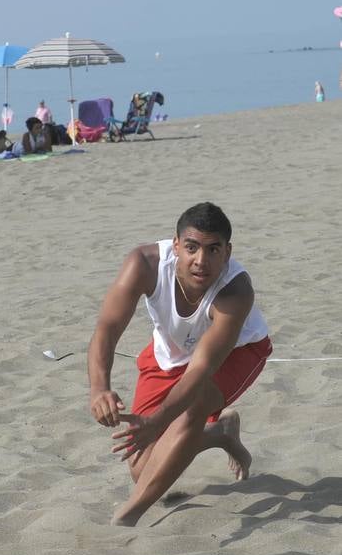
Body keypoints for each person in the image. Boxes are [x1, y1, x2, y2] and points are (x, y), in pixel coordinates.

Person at [88, 202, 272, 527]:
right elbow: (107, 329)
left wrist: (158, 420)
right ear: (176, 246)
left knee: (192, 406)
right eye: (191, 248)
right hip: (170, 352)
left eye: (213, 250)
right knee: (143, 469)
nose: (201, 261)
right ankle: (220, 434)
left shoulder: (235, 291)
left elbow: (200, 371)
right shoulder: (143, 263)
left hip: (238, 351)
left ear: (227, 253)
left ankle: (127, 517)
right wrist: (99, 388)